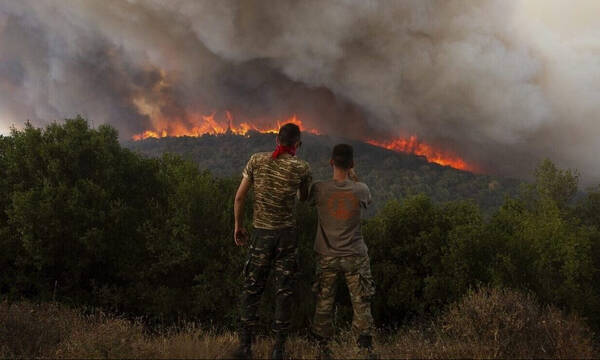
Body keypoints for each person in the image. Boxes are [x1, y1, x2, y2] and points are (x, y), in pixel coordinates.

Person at [231, 123, 312, 359]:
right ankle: (279, 349)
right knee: (283, 292)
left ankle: (245, 347)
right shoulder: (301, 167)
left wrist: (238, 226)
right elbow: (303, 197)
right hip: (286, 236)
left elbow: (239, 197)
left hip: (261, 235)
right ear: (297, 143)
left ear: (277, 140)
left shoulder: (256, 160)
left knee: (252, 289)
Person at [309, 144, 377, 359]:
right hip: (354, 256)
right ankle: (364, 348)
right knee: (361, 301)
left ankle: (321, 347)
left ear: (331, 162)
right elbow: (365, 199)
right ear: (352, 164)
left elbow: (305, 198)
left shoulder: (319, 188)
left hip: (327, 256)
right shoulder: (361, 189)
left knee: (324, 300)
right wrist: (353, 177)